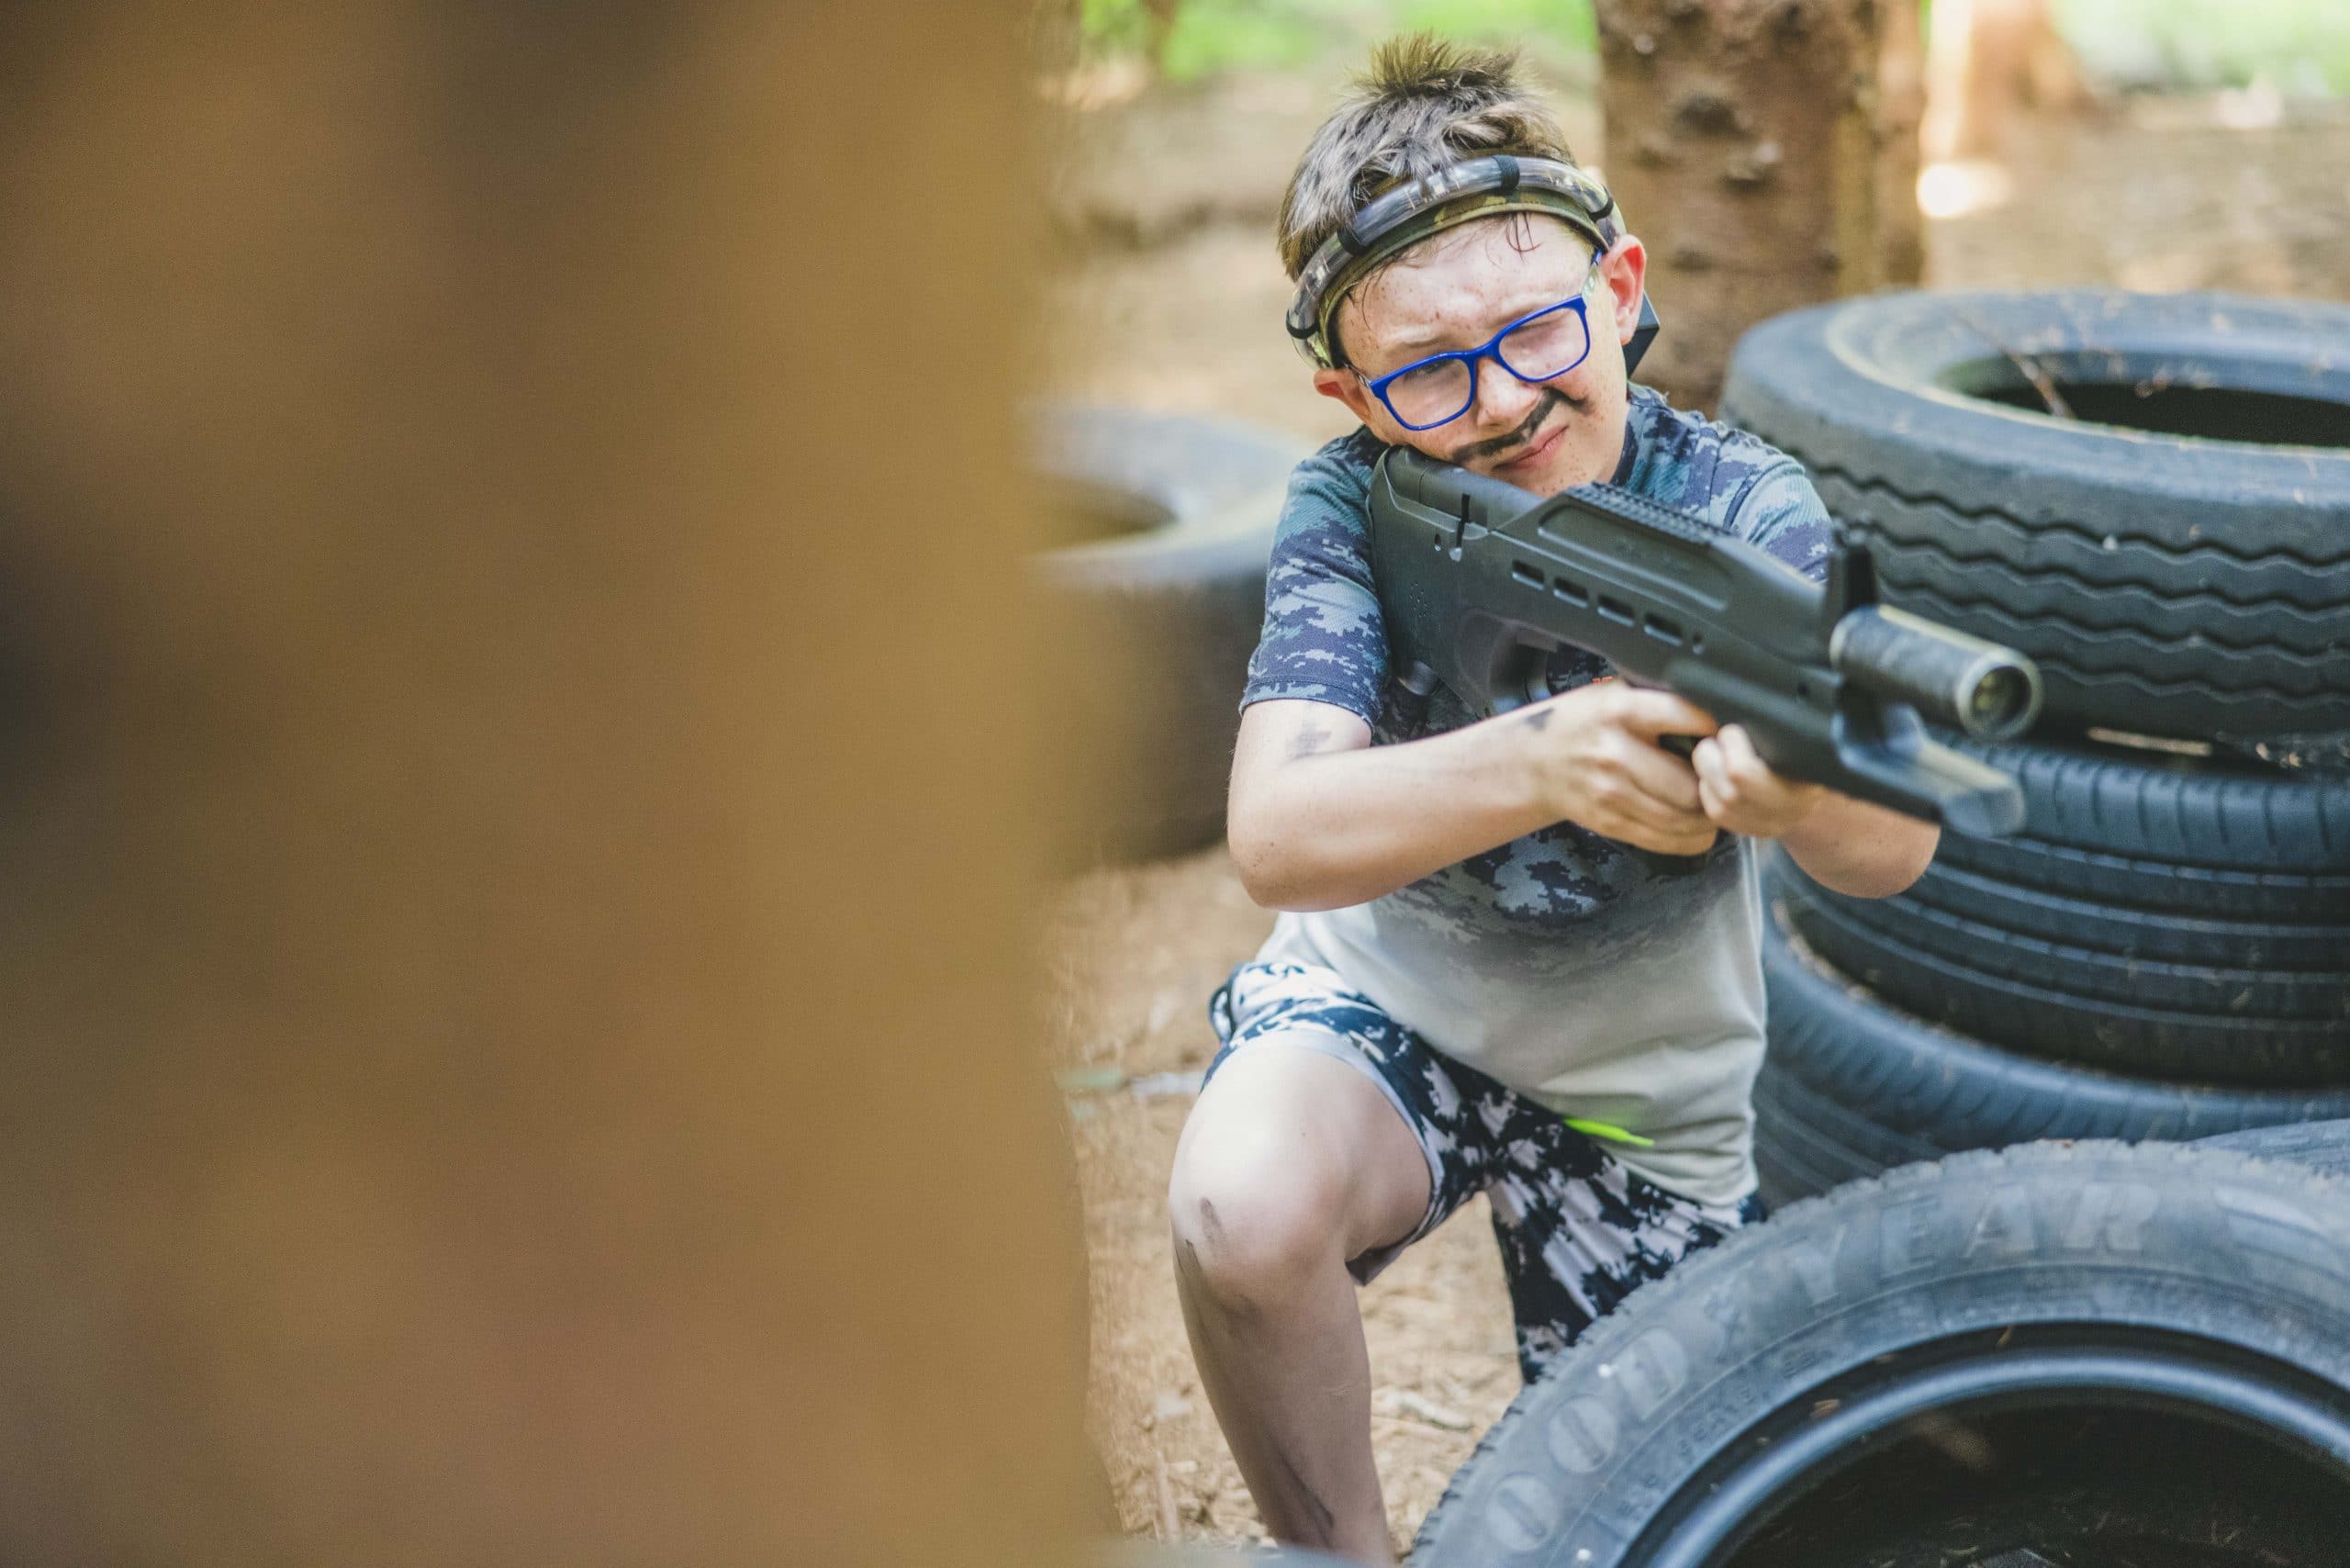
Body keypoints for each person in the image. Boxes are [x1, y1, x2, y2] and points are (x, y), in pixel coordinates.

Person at [1165, 36, 1940, 1565]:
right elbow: (1276, 837)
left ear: (1623, 288)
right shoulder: (1348, 508)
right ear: (1348, 389)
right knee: (1239, 1211)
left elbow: (1894, 846)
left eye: (1535, 331)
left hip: (1650, 1095)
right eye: (1427, 373)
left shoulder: (1744, 508)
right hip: (1393, 1018)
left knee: (1673, 1523)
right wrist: (1544, 760)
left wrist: (1784, 792)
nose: (1505, 401)